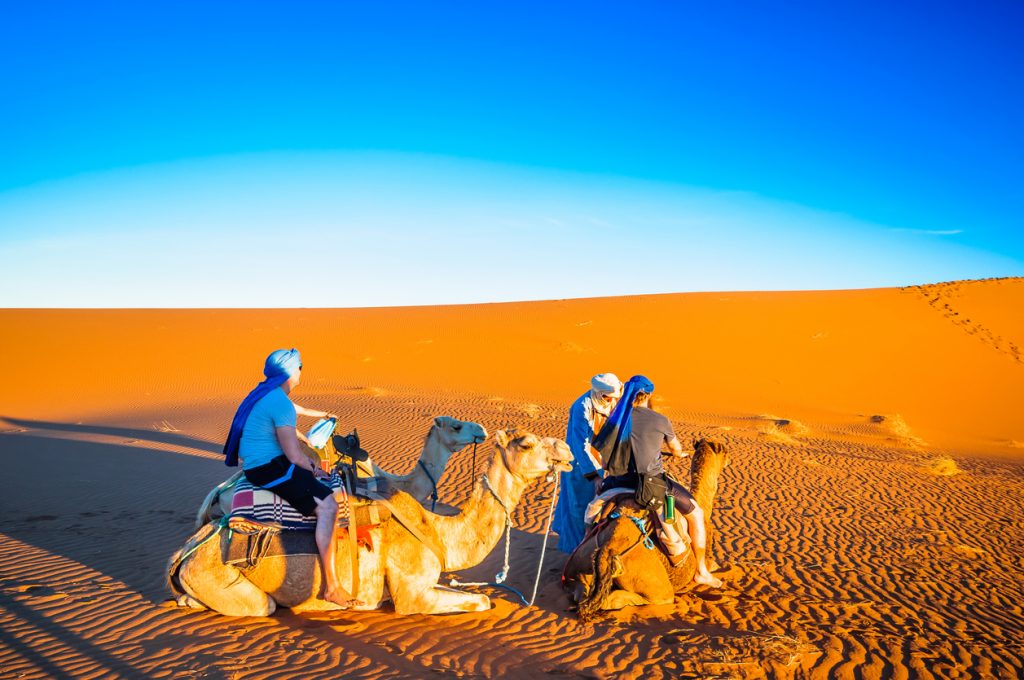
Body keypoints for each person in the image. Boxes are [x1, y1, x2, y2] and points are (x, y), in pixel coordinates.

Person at [223, 348, 362, 607]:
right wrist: (310, 466)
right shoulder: (279, 404)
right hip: (269, 468)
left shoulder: (267, 393)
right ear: (290, 370)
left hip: (264, 462)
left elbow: (299, 410)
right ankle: (332, 586)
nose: (301, 371)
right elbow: (294, 455)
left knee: (315, 472)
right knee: (329, 506)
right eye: (300, 366)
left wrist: (321, 417)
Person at [594, 375, 722, 588]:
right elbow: (676, 448)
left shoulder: (615, 420)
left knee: (592, 513)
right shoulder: (660, 420)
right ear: (650, 395)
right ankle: (701, 571)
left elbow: (605, 458)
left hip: (617, 482)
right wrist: (678, 454)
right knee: (696, 514)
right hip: (652, 484)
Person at [553, 373, 623, 553]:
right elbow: (580, 446)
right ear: (600, 394)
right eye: (609, 397)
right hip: (580, 466)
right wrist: (594, 476)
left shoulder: (611, 402)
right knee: (579, 510)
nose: (611, 400)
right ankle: (575, 554)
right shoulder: (582, 407)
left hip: (601, 461)